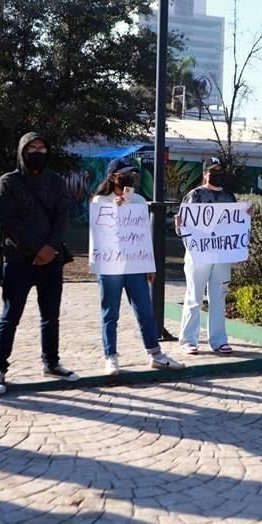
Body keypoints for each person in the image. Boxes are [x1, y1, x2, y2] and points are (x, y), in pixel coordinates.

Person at [0, 133, 78, 395]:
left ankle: (51, 362)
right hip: (18, 260)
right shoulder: (8, 182)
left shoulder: (56, 182)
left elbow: (62, 217)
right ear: (22, 151)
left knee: (50, 316)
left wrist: (50, 248)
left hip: (51, 260)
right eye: (32, 148)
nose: (37, 152)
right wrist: (36, 249)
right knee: (10, 316)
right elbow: (9, 221)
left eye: (42, 148)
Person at [92, 157, 185, 375]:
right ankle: (111, 357)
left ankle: (156, 354)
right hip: (110, 266)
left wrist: (149, 264)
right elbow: (99, 235)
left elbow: (143, 235)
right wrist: (115, 211)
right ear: (113, 177)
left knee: (145, 311)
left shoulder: (140, 201)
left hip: (135, 264)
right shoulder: (100, 201)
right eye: (125, 174)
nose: (130, 178)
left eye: (132, 174)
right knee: (110, 313)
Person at [175, 157, 239, 355]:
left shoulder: (230, 197)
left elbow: (236, 225)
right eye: (213, 170)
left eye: (220, 170)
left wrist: (246, 216)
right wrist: (179, 225)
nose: (217, 173)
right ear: (204, 174)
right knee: (194, 296)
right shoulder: (193, 196)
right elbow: (183, 228)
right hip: (198, 255)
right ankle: (188, 340)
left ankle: (219, 340)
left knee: (218, 297)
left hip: (221, 256)